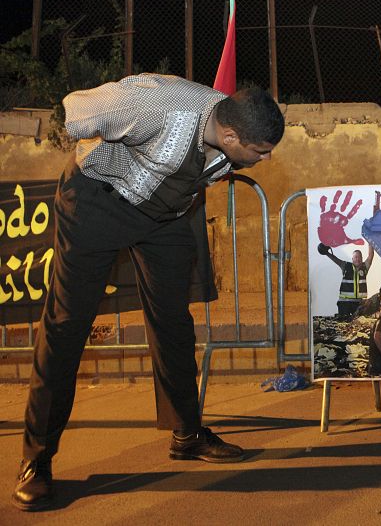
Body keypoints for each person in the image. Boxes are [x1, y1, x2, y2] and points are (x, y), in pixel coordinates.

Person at [12, 73, 285, 512]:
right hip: (98, 203)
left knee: (173, 322)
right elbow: (77, 108)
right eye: (260, 151)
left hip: (166, 217)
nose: (267, 158)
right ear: (231, 137)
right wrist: (115, 122)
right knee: (66, 327)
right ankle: (37, 460)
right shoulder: (160, 107)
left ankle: (187, 433)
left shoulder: (230, 122)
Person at [318, 243, 374, 320]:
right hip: (344, 303)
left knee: (356, 324)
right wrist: (327, 253)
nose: (357, 259)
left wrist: (370, 241)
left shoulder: (365, 267)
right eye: (356, 257)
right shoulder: (346, 266)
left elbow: (371, 255)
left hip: (358, 304)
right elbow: (335, 259)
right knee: (343, 323)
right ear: (352, 259)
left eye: (359, 257)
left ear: (362, 259)